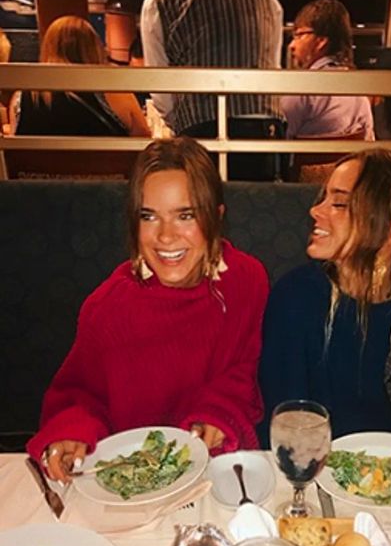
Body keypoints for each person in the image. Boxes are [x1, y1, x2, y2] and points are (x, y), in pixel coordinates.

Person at [26, 137, 269, 481]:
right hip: (132, 482)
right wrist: (72, 432)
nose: (166, 237)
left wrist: (216, 414)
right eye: (149, 216)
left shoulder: (246, 280)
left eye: (185, 215)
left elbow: (243, 371)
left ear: (216, 217)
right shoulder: (107, 308)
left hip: (217, 469)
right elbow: (82, 396)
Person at [259, 149, 391, 450]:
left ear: (389, 231)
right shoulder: (296, 298)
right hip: (317, 469)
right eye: (324, 198)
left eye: (340, 204)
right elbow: (285, 423)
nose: (315, 211)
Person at [140, 0, 285, 180]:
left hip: (199, 128)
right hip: (262, 126)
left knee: (204, 204)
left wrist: (181, 124)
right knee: (259, 204)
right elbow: (272, 67)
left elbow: (161, 87)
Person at [14, 15, 150, 137]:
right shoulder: (115, 93)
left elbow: (14, 151)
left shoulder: (23, 97)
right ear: (95, 47)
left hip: (37, 166)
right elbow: (143, 140)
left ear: (48, 48)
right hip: (104, 165)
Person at [281, 0, 374, 141]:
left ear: (321, 41)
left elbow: (279, 139)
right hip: (350, 163)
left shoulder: (303, 88)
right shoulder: (358, 92)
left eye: (299, 35)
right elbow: (368, 143)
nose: (292, 45)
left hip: (302, 163)